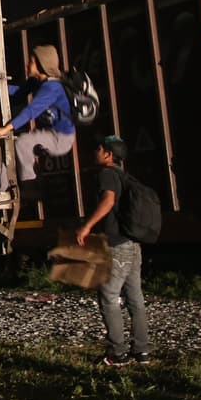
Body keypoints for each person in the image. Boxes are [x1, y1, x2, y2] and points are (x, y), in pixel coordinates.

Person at [76, 135, 152, 366]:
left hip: (116, 246)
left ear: (108, 154)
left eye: (98, 148)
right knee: (135, 298)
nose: (95, 152)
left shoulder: (106, 174)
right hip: (132, 245)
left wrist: (87, 226)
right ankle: (142, 351)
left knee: (109, 298)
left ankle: (117, 354)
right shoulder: (125, 175)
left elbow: (108, 201)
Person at [0, 45, 76, 196]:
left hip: (62, 138)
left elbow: (31, 110)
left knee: (23, 141)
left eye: (30, 61)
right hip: (48, 133)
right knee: (9, 148)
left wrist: (7, 127)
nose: (27, 64)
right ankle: (2, 190)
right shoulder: (37, 82)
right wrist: (0, 86)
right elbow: (19, 93)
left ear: (41, 64)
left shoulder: (52, 87)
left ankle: (29, 185)